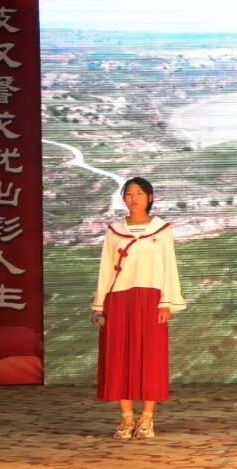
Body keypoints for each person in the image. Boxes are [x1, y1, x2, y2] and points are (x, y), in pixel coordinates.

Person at [92, 177, 186, 439]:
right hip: (118, 300)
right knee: (119, 357)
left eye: (139, 193)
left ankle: (147, 418)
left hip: (150, 299)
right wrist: (100, 305)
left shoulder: (161, 229)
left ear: (150, 198)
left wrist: (166, 301)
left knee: (150, 357)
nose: (133, 198)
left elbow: (169, 266)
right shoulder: (114, 230)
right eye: (129, 193)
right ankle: (126, 419)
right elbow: (105, 269)